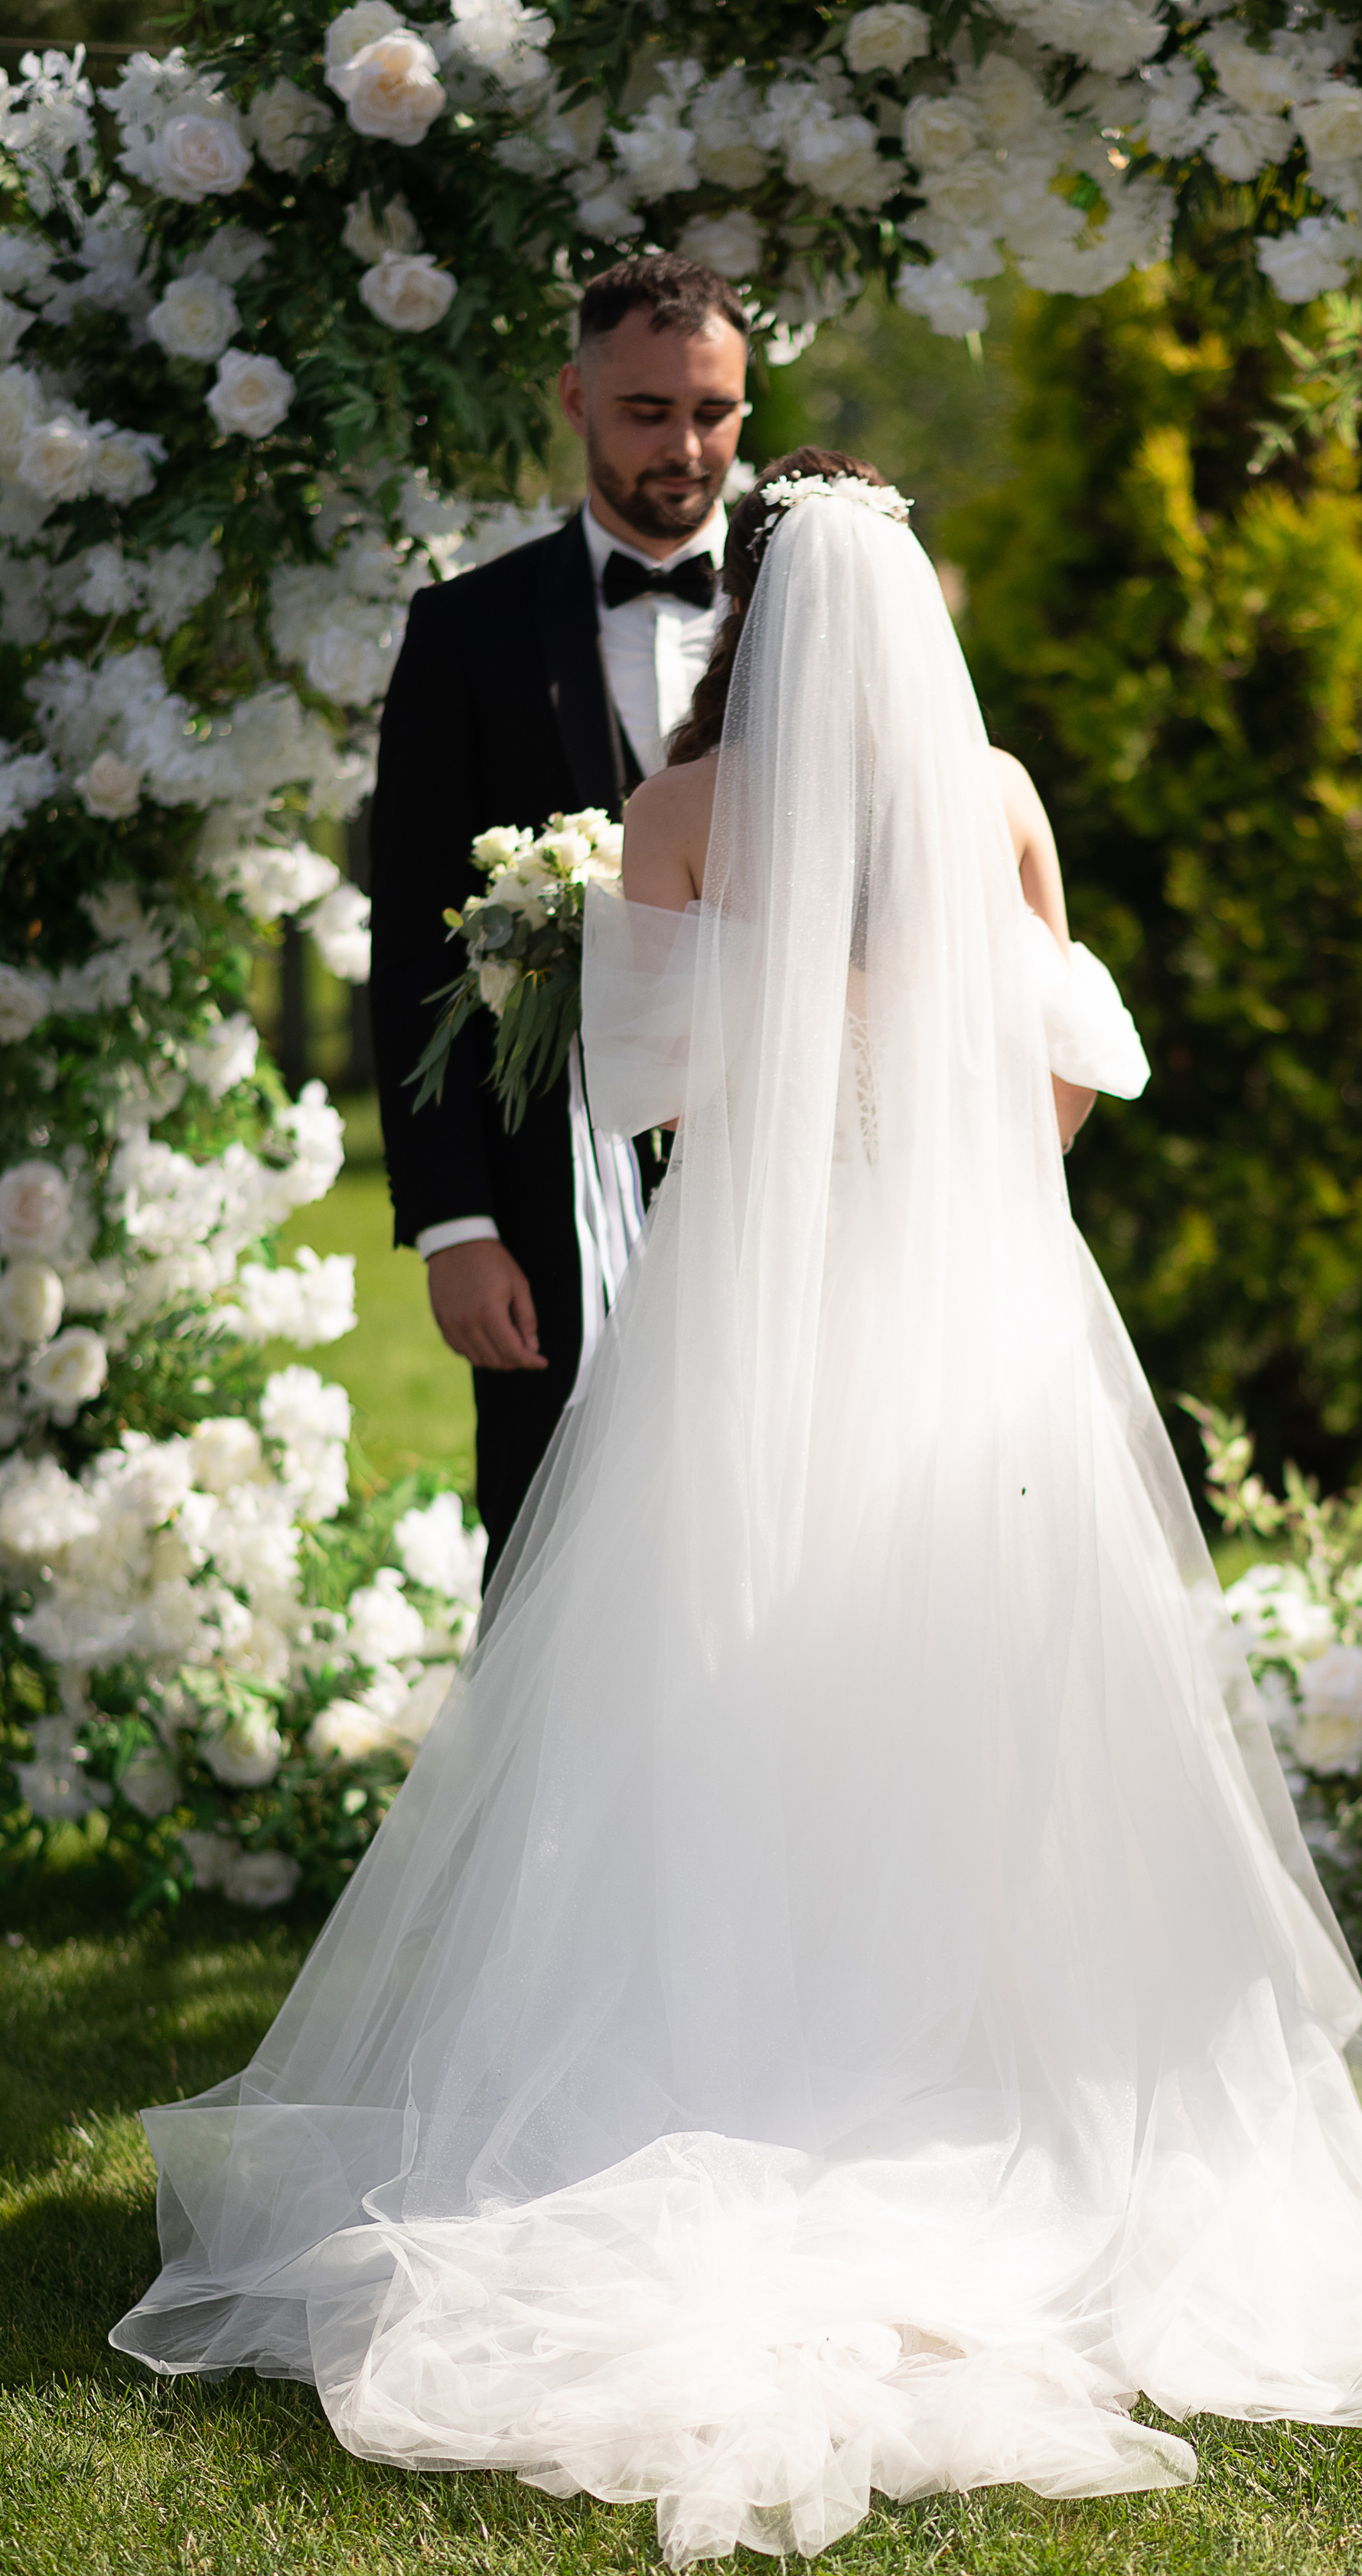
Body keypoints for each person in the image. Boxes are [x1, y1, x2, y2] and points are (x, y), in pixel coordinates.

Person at [109, 450, 1362, 2568]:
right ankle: (999, 2083)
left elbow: (644, 1091)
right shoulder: (1004, 799)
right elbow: (1070, 1074)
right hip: (975, 1302)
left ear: (753, 608)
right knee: (996, 1689)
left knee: (716, 1679)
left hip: (754, 1317)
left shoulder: (682, 819)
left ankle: (729, 2057)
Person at [368, 250, 749, 1583]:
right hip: (541, 1211)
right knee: (547, 1578)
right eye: (648, 411)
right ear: (575, 397)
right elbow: (414, 944)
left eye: (714, 412)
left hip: (780, 1196)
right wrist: (457, 1225)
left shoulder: (815, 618)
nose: (686, 447)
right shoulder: (463, 634)